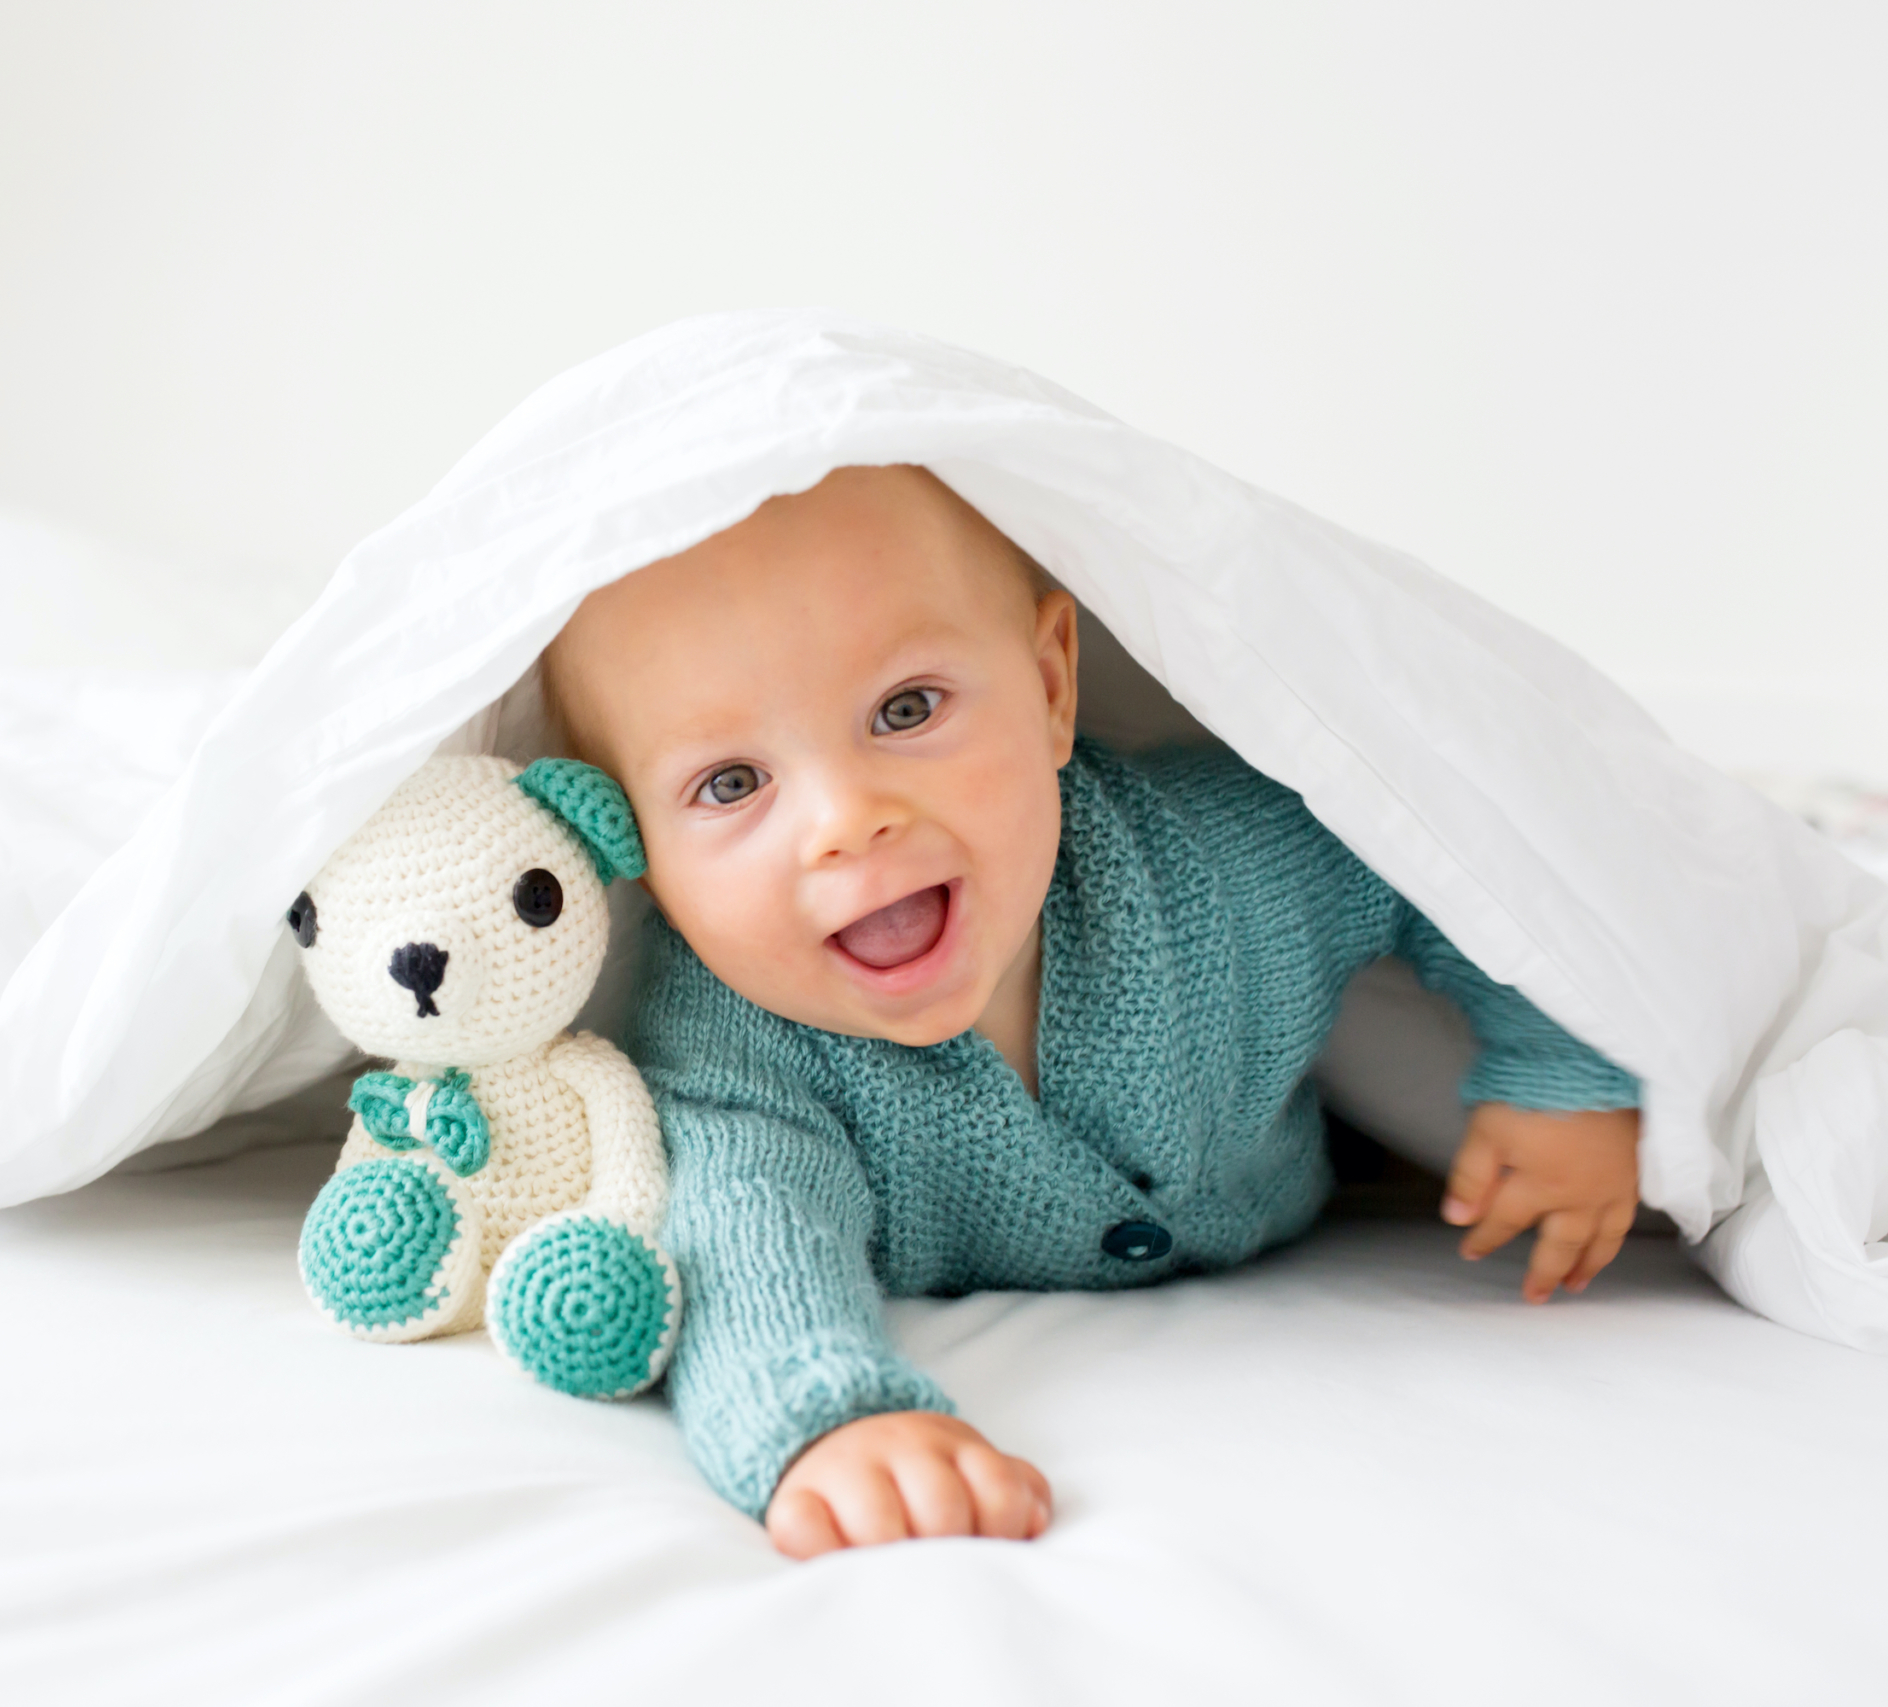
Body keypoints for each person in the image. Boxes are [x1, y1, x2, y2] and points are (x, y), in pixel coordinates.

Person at [539, 465, 1644, 1559]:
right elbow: (747, 1233)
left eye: (907, 709)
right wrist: (830, 1419)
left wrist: (1555, 1073)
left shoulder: (1221, 864)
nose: (846, 819)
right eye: (730, 784)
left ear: (1052, 685)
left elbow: (1443, 850)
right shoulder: (731, 1038)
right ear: (631, 842)